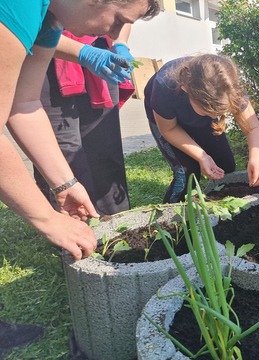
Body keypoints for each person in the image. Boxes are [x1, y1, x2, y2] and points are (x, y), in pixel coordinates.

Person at [0, 0, 160, 349]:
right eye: (117, 18)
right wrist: (48, 219)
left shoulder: (50, 19)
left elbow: (24, 104)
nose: (112, 34)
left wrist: (66, 183)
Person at [34, 24, 141, 215]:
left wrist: (120, 43)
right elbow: (33, 29)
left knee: (105, 146)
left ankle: (115, 222)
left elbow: (123, 20)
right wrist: (84, 52)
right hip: (48, 56)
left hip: (101, 56)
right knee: (64, 149)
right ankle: (72, 225)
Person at [144, 54, 259, 203]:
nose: (214, 117)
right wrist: (201, 155)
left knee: (226, 166)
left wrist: (256, 159)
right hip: (167, 122)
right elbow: (169, 129)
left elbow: (253, 127)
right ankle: (170, 219)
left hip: (198, 112)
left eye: (220, 112)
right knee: (187, 173)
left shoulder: (227, 86)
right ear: (187, 90)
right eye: (209, 112)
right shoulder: (165, 87)